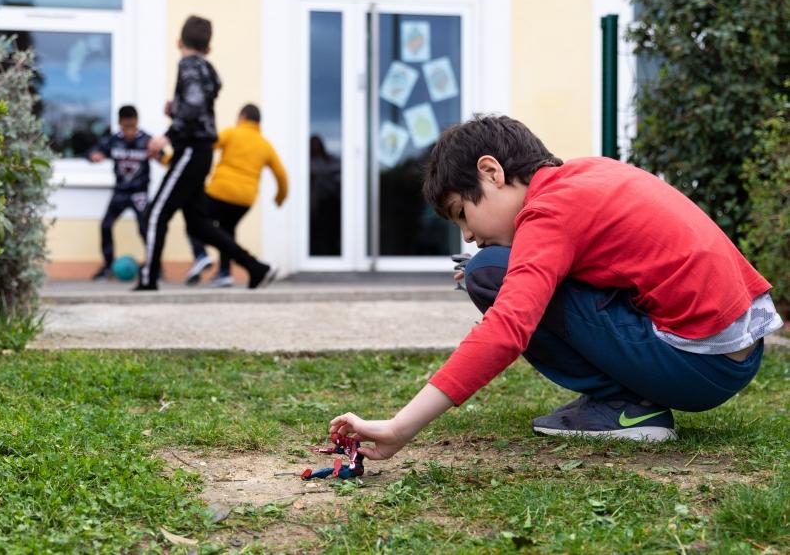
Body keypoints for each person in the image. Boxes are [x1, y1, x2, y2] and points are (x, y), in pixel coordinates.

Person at [329, 114, 782, 457]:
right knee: (488, 265)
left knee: (489, 271)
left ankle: (626, 407)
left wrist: (400, 426)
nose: (466, 234)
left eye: (461, 213)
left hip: (697, 365)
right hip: (730, 352)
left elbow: (509, 327)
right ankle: (629, 395)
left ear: (491, 172)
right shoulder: (583, 177)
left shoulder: (549, 212)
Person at [135, 15, 275, 291]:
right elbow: (195, 105)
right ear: (209, 48)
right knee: (199, 225)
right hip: (201, 154)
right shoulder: (206, 70)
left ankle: (148, 278)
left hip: (191, 150)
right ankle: (255, 268)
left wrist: (167, 136)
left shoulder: (187, 66)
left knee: (155, 214)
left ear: (178, 42)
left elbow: (194, 108)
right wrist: (176, 108)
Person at [184, 103, 288, 287]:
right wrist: (279, 198)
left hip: (220, 193)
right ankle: (225, 273)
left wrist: (166, 159)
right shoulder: (265, 145)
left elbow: (205, 146)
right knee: (226, 233)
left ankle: (201, 255)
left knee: (194, 220)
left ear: (242, 117)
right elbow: (281, 175)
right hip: (244, 200)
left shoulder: (232, 133)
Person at [87, 105, 153, 280]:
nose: (129, 131)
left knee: (146, 228)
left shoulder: (147, 140)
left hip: (140, 193)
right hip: (120, 192)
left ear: (137, 122)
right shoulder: (113, 140)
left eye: (132, 126)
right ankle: (108, 265)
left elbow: (164, 156)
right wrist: (94, 156)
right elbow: (92, 151)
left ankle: (154, 266)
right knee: (106, 225)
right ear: (119, 123)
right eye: (125, 127)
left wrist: (160, 155)